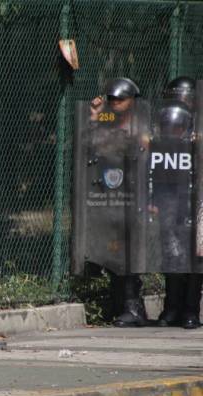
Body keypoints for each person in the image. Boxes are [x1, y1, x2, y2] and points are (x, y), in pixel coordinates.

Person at [88, 77, 149, 327]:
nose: (114, 104)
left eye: (119, 100)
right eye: (111, 99)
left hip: (134, 197)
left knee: (129, 253)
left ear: (132, 102)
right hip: (110, 196)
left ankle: (133, 307)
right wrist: (95, 115)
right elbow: (91, 139)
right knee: (113, 251)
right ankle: (120, 304)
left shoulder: (140, 126)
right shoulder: (108, 121)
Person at [154, 77, 201, 329]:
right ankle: (171, 307)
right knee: (172, 254)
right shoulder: (164, 125)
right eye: (174, 96)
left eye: (184, 97)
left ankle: (191, 310)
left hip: (197, 200)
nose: (180, 102)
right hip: (170, 198)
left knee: (196, 257)